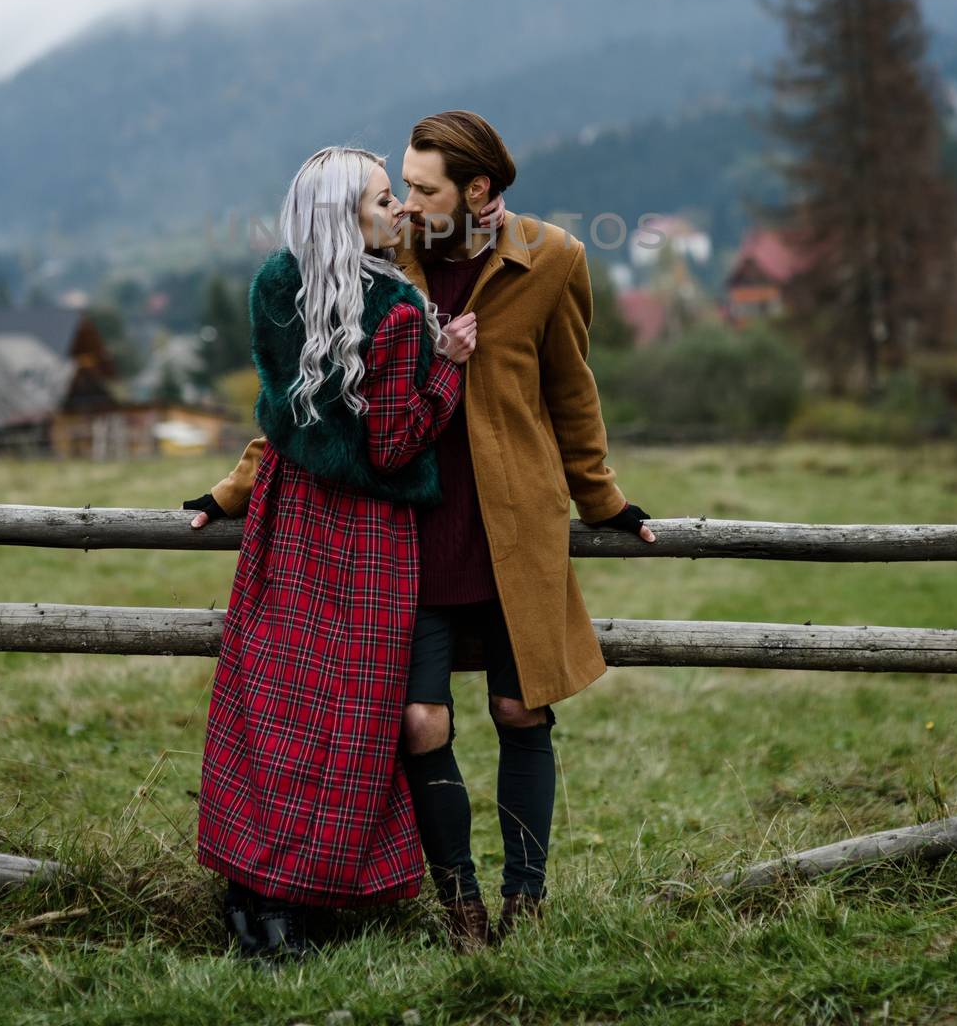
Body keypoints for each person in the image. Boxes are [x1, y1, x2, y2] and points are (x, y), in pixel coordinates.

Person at [197, 111, 655, 952]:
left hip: (514, 525)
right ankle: (460, 904)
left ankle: (528, 899)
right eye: (400, 185)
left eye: (423, 186)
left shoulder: (553, 259)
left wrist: (604, 501)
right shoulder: (387, 260)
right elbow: (317, 395)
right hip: (412, 534)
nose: (406, 202)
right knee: (420, 724)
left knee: (521, 711)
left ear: (477, 191)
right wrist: (236, 486)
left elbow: (572, 393)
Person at [182, 144, 491, 963]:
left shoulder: (280, 287)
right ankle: (289, 906)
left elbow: (286, 419)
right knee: (342, 719)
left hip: (288, 523)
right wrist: (450, 370)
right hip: (364, 540)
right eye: (384, 200)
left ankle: (254, 897)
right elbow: (391, 445)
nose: (399, 212)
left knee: (272, 706)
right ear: (344, 216)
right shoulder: (393, 312)